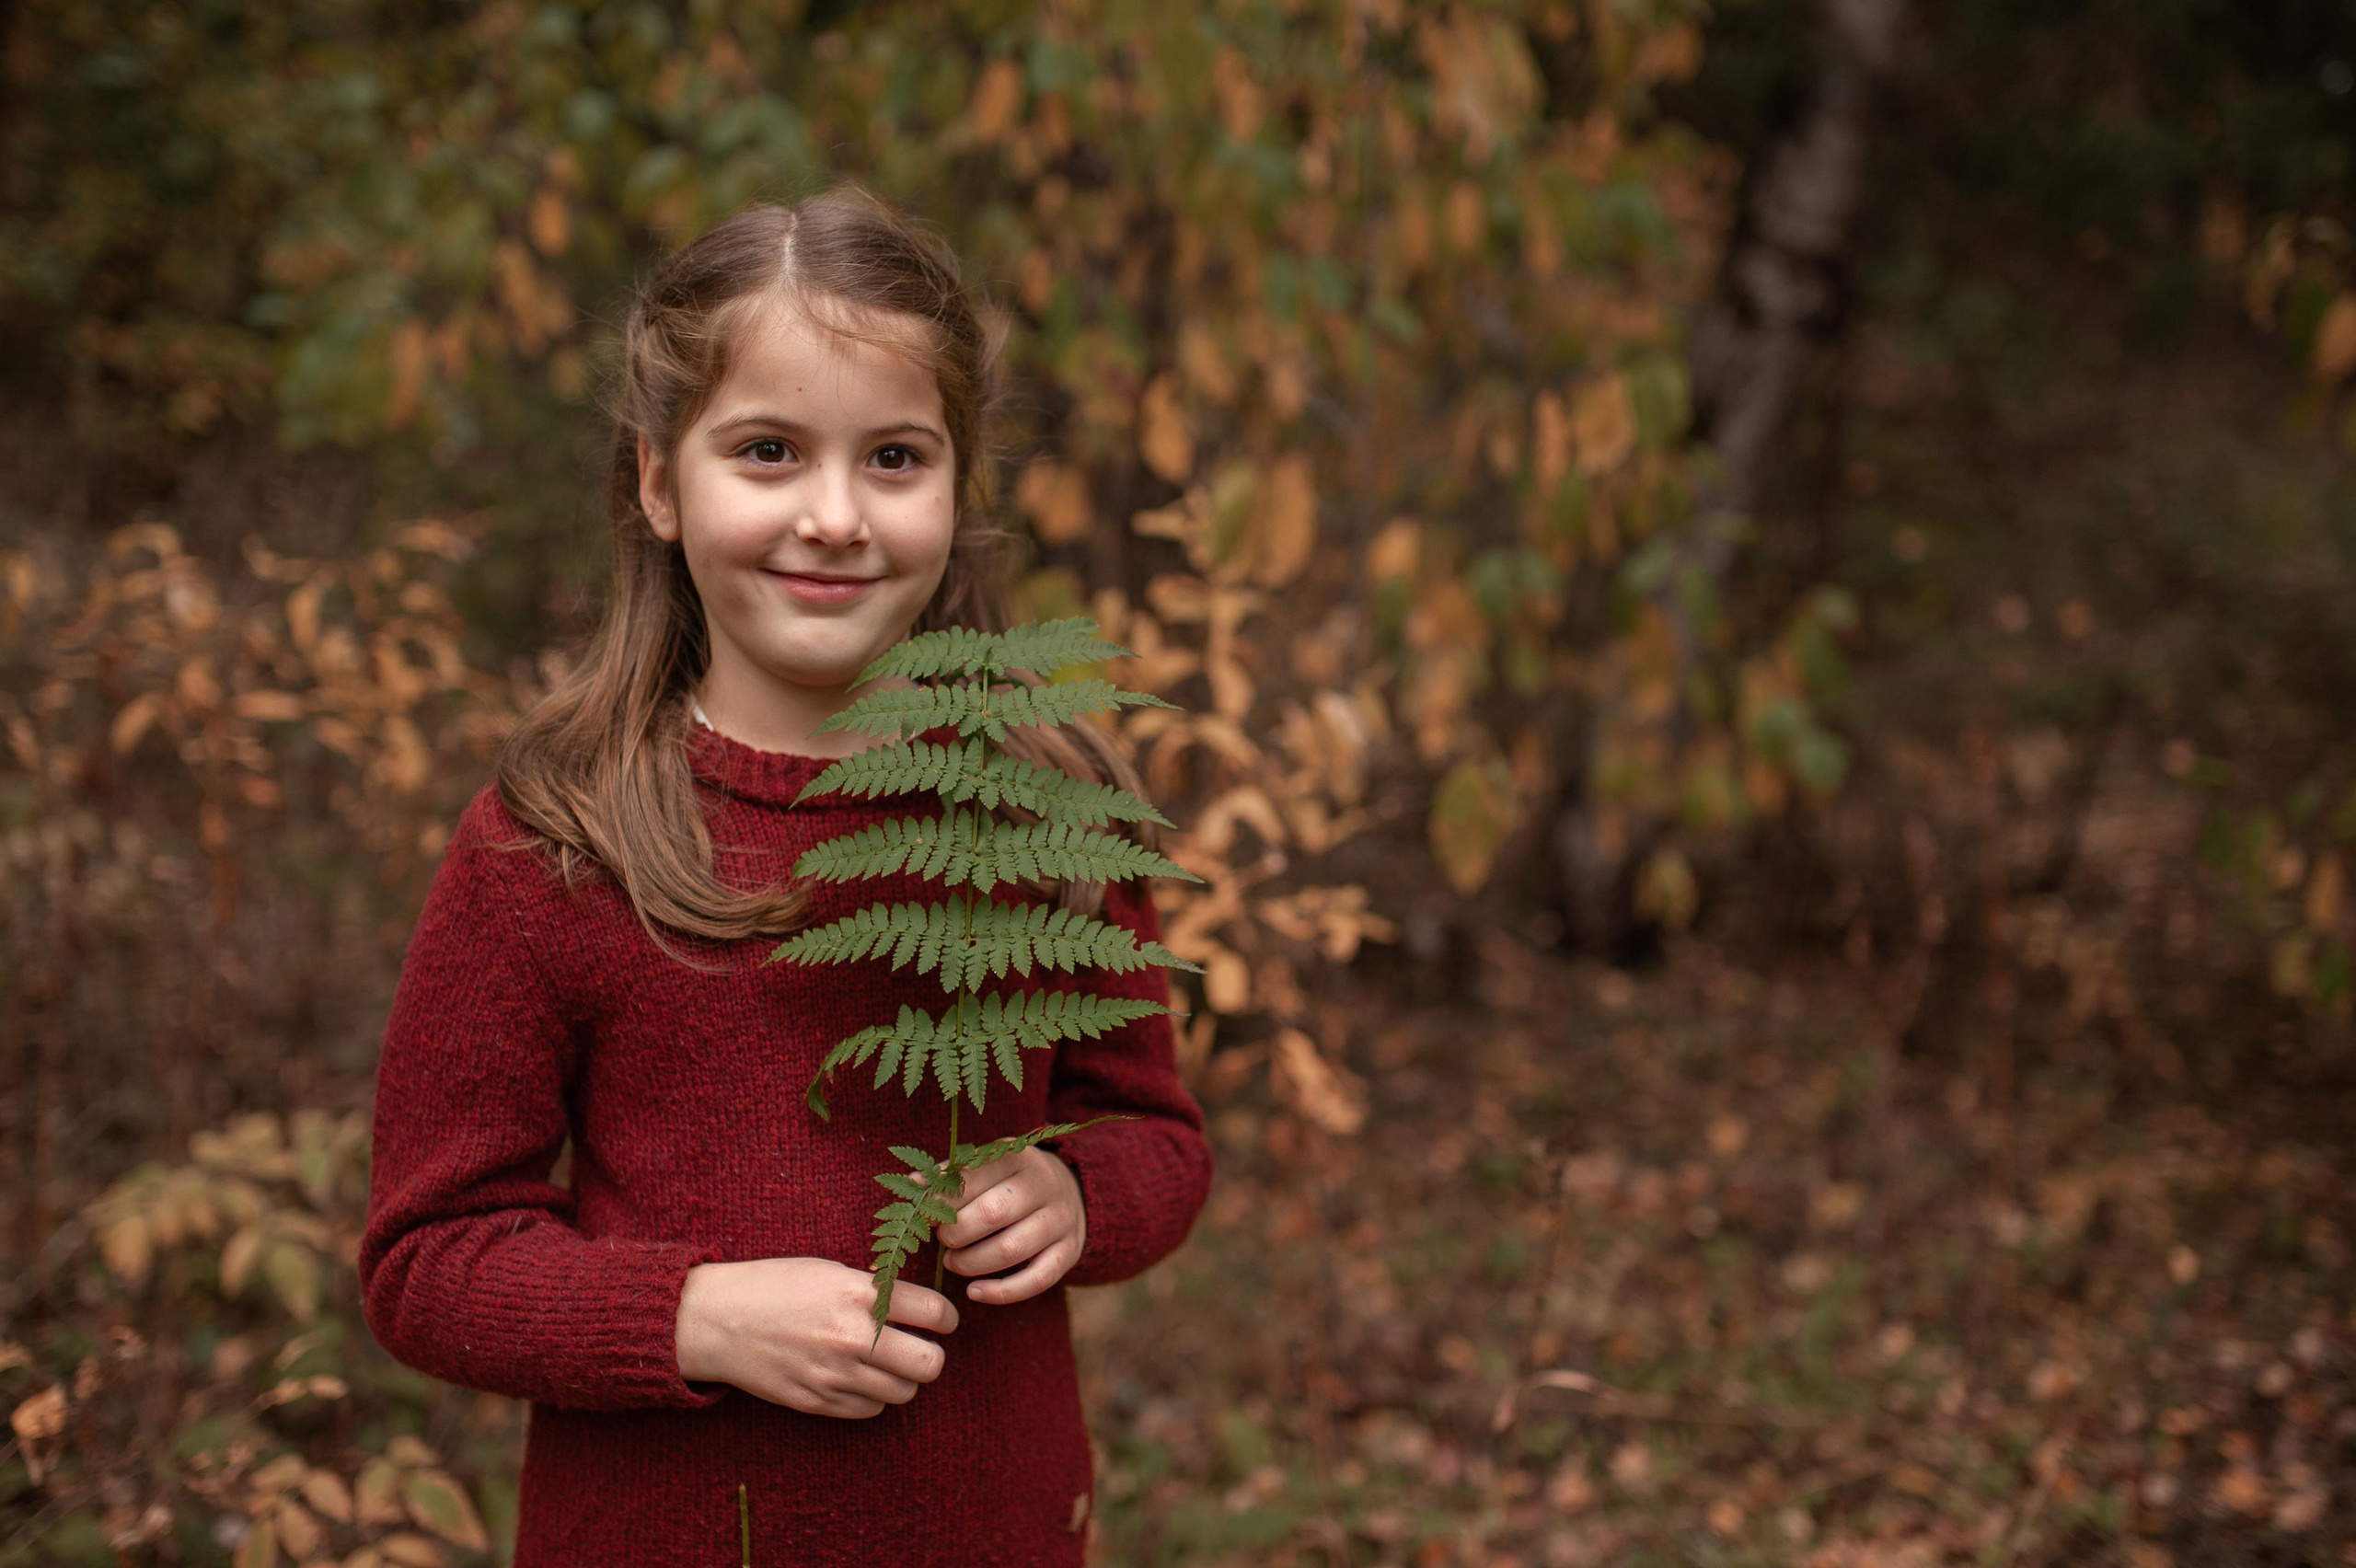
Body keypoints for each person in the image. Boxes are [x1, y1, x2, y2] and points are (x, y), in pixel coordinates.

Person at [358, 188, 1213, 1567]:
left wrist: (1078, 1196)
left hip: (992, 1530)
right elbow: (425, 1265)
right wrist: (694, 1318)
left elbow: (1158, 1139)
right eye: (767, 451)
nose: (834, 516)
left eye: (894, 457)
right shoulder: (553, 843)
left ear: (958, 485)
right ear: (655, 480)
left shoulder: (1046, 810)